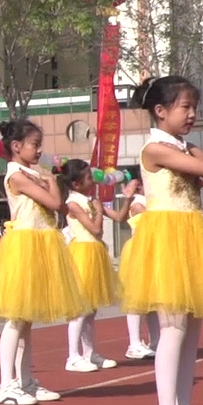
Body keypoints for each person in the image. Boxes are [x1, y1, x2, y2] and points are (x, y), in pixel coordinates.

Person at [118, 76, 203, 405]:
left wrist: (193, 151)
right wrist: (195, 152)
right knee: (172, 328)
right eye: (185, 107)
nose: (192, 114)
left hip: (191, 237)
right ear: (160, 111)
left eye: (194, 108)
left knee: (191, 331)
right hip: (168, 240)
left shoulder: (181, 147)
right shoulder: (155, 148)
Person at [0, 120, 87, 405]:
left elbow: (58, 205)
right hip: (24, 247)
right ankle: (6, 384)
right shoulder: (17, 175)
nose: (39, 150)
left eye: (40, 145)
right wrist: (51, 181)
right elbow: (55, 204)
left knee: (26, 322)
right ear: (17, 147)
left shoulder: (33, 173)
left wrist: (47, 180)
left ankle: (25, 380)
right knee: (16, 319)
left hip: (41, 243)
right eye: (34, 145)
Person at [60, 159, 121, 373]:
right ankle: (73, 356)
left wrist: (127, 197)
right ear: (76, 184)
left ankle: (89, 352)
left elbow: (118, 217)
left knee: (91, 309)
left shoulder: (89, 200)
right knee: (81, 308)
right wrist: (98, 210)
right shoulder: (73, 204)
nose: (93, 180)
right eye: (88, 177)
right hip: (82, 254)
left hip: (94, 252)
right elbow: (95, 229)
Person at [119, 177, 161, 361]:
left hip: (151, 251)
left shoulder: (151, 202)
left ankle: (156, 341)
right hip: (139, 251)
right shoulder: (138, 203)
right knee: (136, 299)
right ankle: (134, 343)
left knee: (152, 301)